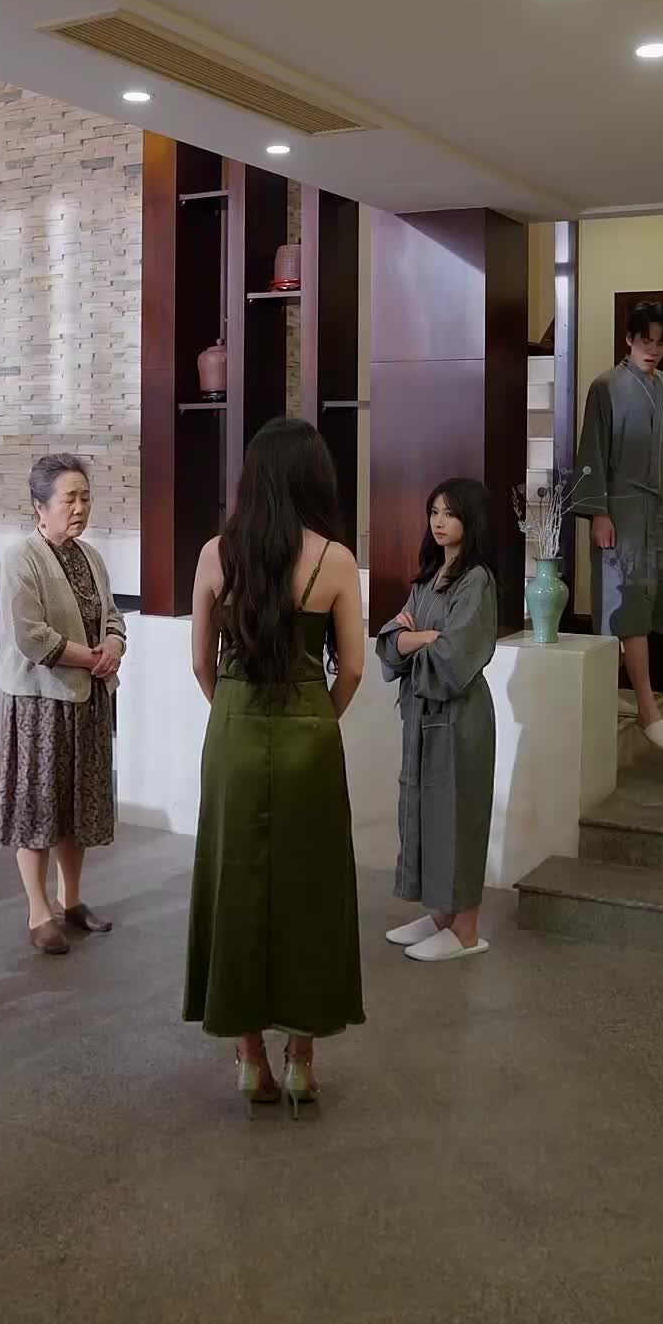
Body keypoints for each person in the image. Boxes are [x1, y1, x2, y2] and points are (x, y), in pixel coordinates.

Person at [184, 418, 365, 1117]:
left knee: (234, 882)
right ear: (316, 479)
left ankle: (248, 1056)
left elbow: (200, 663)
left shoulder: (215, 554)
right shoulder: (336, 561)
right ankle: (301, 1061)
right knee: (310, 889)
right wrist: (316, 716)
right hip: (308, 732)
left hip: (232, 728)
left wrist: (232, 709)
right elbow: (352, 669)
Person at [0, 454, 126, 952]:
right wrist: (92, 658)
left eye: (85, 498)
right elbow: (30, 636)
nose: (79, 507)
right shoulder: (20, 558)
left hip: (89, 700)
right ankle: (38, 912)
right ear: (39, 506)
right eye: (69, 498)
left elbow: (112, 615)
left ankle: (71, 900)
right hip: (40, 706)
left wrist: (112, 646)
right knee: (39, 809)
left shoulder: (90, 556)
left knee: (78, 807)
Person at [376, 478, 499, 963]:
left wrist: (417, 639)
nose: (439, 522)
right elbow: (389, 640)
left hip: (460, 718)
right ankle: (442, 916)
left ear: (471, 519)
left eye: (449, 513)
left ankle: (465, 929)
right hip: (423, 716)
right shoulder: (427, 578)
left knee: (458, 815)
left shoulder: (477, 580)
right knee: (426, 811)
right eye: (434, 512)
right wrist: (422, 638)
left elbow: (456, 655)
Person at [575, 298, 663, 750]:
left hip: (658, 512)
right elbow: (592, 452)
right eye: (645, 340)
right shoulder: (605, 387)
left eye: (661, 343)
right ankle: (647, 710)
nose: (653, 350)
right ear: (629, 338)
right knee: (623, 607)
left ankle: (609, 697)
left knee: (644, 605)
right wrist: (599, 513)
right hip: (620, 514)